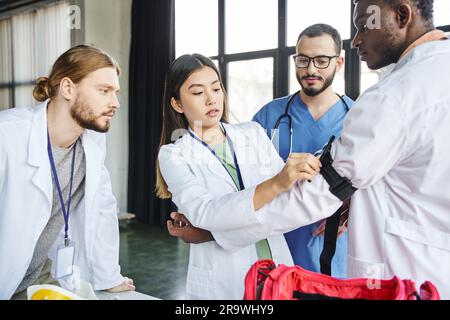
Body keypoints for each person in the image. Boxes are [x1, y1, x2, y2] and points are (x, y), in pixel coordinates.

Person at [170, 0, 450, 298]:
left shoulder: (388, 99)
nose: (356, 39)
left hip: (390, 267)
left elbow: (318, 193)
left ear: (402, 15)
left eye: (362, 26)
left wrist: (216, 229)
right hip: (284, 250)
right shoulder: (266, 119)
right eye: (303, 60)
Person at [156, 53, 322, 299]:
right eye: (198, 92)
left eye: (216, 88)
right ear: (177, 104)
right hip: (224, 280)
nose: (211, 99)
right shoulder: (173, 155)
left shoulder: (252, 133)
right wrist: (276, 184)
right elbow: (207, 213)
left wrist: (210, 233)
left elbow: (287, 203)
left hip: (275, 268)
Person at [0, 45, 135, 300]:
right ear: (68, 88)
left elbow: (103, 208)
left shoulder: (92, 141)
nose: (115, 103)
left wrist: (109, 276)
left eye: (115, 92)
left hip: (38, 274)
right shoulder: (7, 135)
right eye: (104, 91)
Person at [252, 24, 354, 278]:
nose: (310, 69)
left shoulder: (359, 119)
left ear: (339, 63)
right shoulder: (269, 117)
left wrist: (354, 201)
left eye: (321, 60)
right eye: (303, 59)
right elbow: (243, 182)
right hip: (276, 253)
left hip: (336, 256)